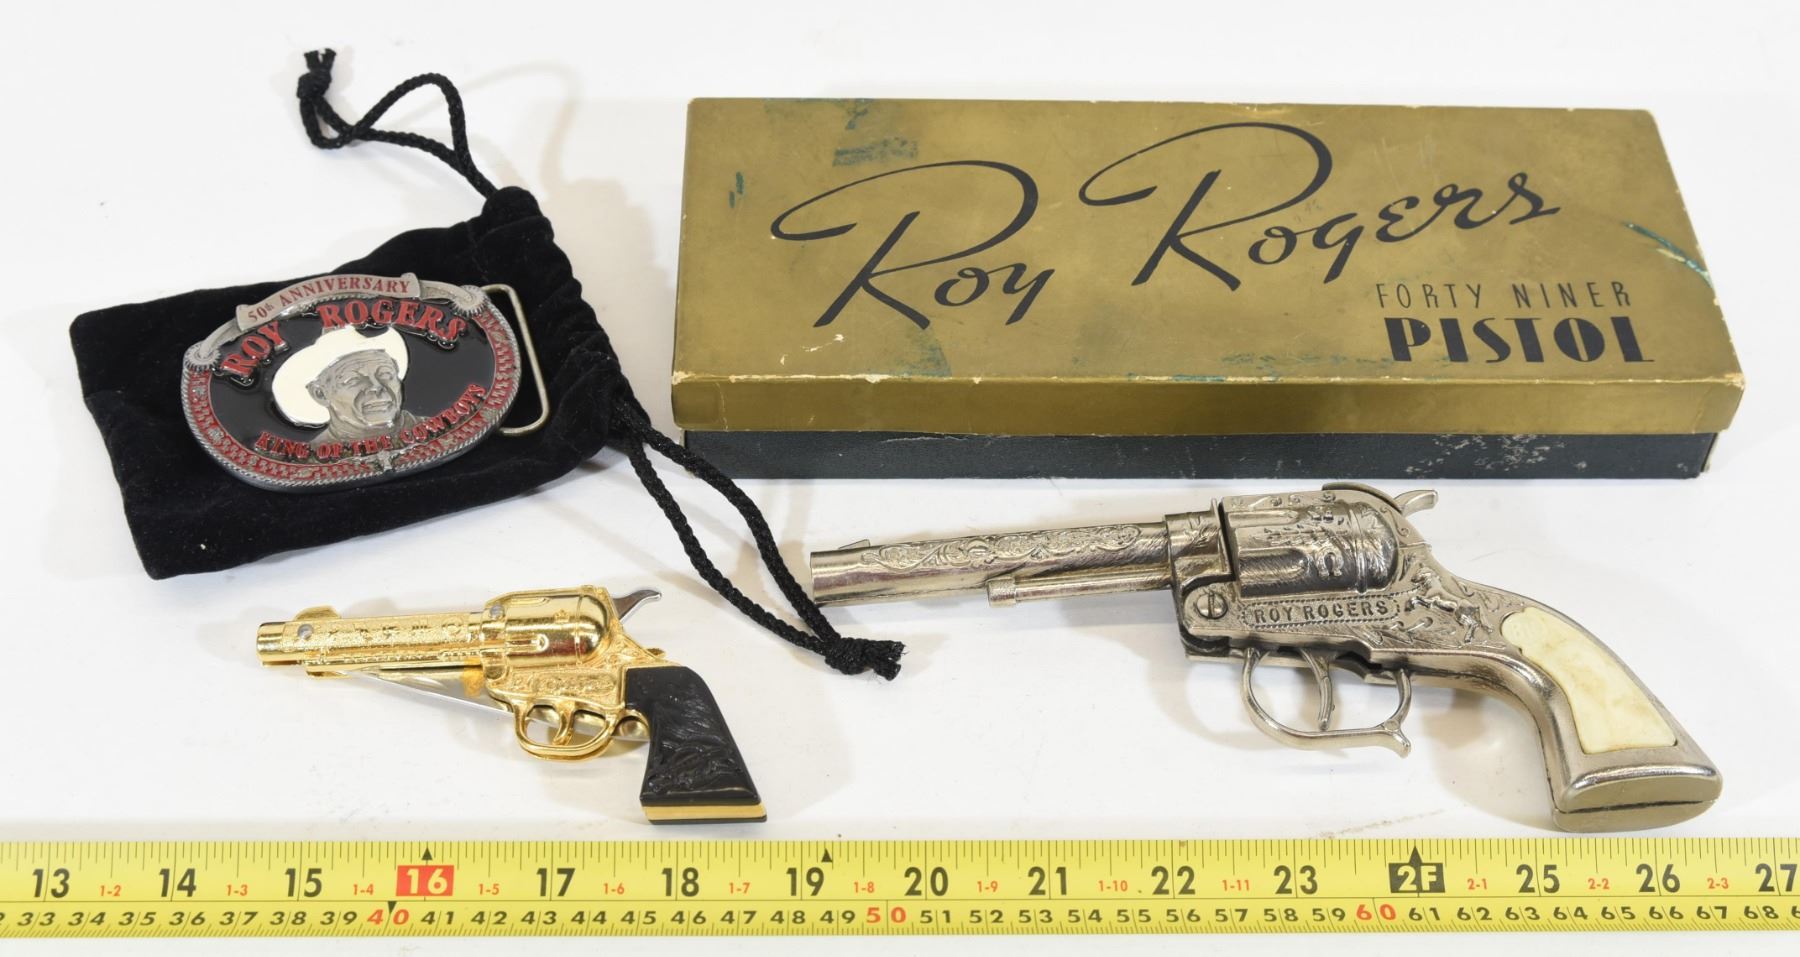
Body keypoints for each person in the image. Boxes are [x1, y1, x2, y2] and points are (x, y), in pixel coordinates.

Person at [272, 325, 418, 445]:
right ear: (320, 394)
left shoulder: (427, 431)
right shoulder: (311, 456)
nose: (376, 386)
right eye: (354, 380)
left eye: (385, 374)